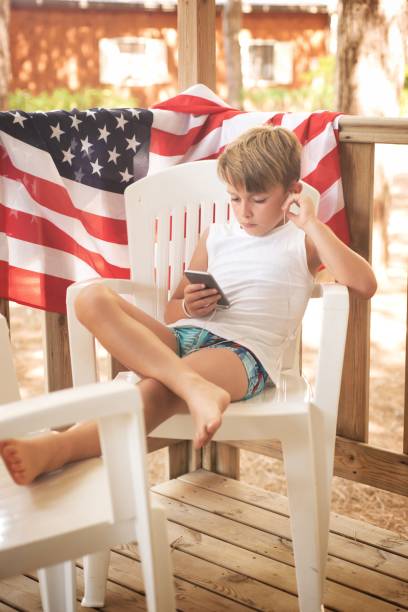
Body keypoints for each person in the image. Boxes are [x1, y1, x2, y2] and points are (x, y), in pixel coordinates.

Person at [0, 126, 377, 486]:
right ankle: (193, 387)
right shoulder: (214, 236)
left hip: (241, 354)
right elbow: (171, 310)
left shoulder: (301, 240)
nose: (244, 211)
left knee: (158, 390)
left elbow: (364, 283)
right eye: (234, 198)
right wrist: (190, 308)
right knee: (90, 298)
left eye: (258, 200)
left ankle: (58, 448)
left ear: (292, 193)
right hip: (184, 339)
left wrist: (312, 223)